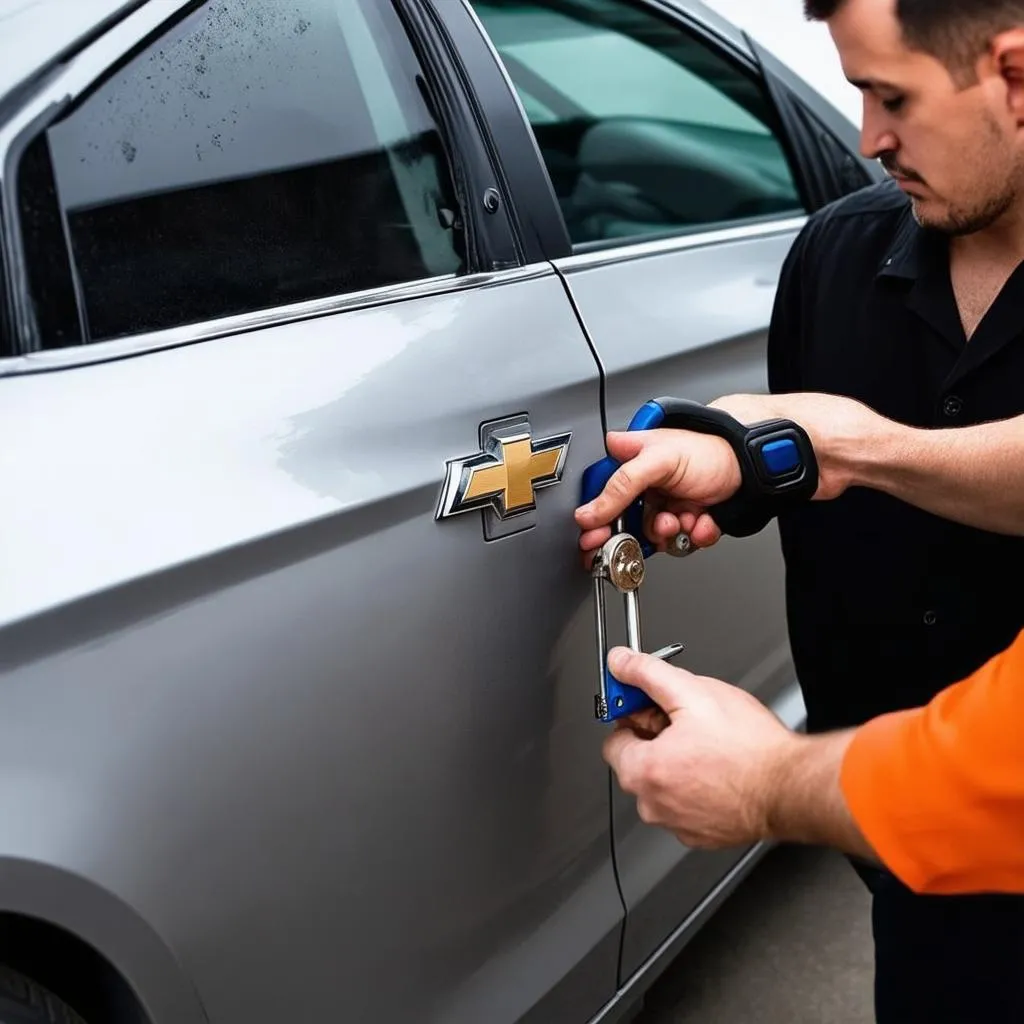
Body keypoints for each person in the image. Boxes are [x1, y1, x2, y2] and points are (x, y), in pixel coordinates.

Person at [581, 0, 1024, 1018]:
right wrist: (750, 462)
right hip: (904, 869)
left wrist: (773, 779)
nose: (865, 137)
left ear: (1012, 75)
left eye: (890, 96)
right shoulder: (835, 254)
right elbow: (815, 481)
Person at [574, 394, 1024, 898]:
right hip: (908, 871)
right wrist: (822, 446)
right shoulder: (823, 312)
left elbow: (1000, 778)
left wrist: (765, 782)